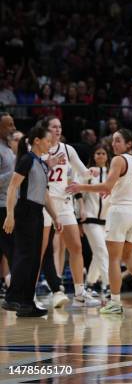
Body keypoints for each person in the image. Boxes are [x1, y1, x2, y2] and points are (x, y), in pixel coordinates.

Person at [67, 129, 132, 314]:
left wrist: (80, 186)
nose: (113, 144)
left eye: (118, 141)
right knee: (127, 256)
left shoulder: (118, 160)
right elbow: (119, 186)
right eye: (113, 141)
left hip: (120, 212)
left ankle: (114, 302)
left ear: (128, 144)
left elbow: (107, 186)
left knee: (113, 258)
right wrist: (112, 190)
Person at [1, 125, 63, 317]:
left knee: (35, 259)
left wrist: (54, 216)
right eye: (47, 141)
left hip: (37, 212)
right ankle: (12, 298)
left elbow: (44, 195)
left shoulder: (42, 163)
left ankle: (27, 303)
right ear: (36, 141)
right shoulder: (27, 160)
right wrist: (10, 214)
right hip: (25, 211)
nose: (50, 145)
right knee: (25, 256)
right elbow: (12, 187)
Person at [39, 117, 100, 307]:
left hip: (65, 204)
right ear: (46, 129)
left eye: (59, 126)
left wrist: (91, 172)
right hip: (44, 203)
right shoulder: (39, 148)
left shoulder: (67, 149)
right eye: (53, 127)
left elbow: (82, 172)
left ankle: (80, 294)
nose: (57, 129)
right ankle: (30, 294)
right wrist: (48, 162)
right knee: (39, 251)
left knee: (76, 247)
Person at [76, 145, 111, 297]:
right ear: (94, 155)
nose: (101, 156)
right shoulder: (88, 172)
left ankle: (89, 284)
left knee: (99, 253)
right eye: (98, 153)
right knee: (102, 251)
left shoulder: (112, 174)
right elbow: (78, 192)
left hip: (107, 220)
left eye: (104, 153)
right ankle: (108, 285)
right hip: (89, 218)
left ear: (107, 156)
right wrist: (80, 214)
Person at [0, 114, 16, 284]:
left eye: (13, 124)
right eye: (8, 125)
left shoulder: (10, 147)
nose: (12, 128)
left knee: (10, 249)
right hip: (1, 206)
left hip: (10, 205)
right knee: (11, 249)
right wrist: (14, 175)